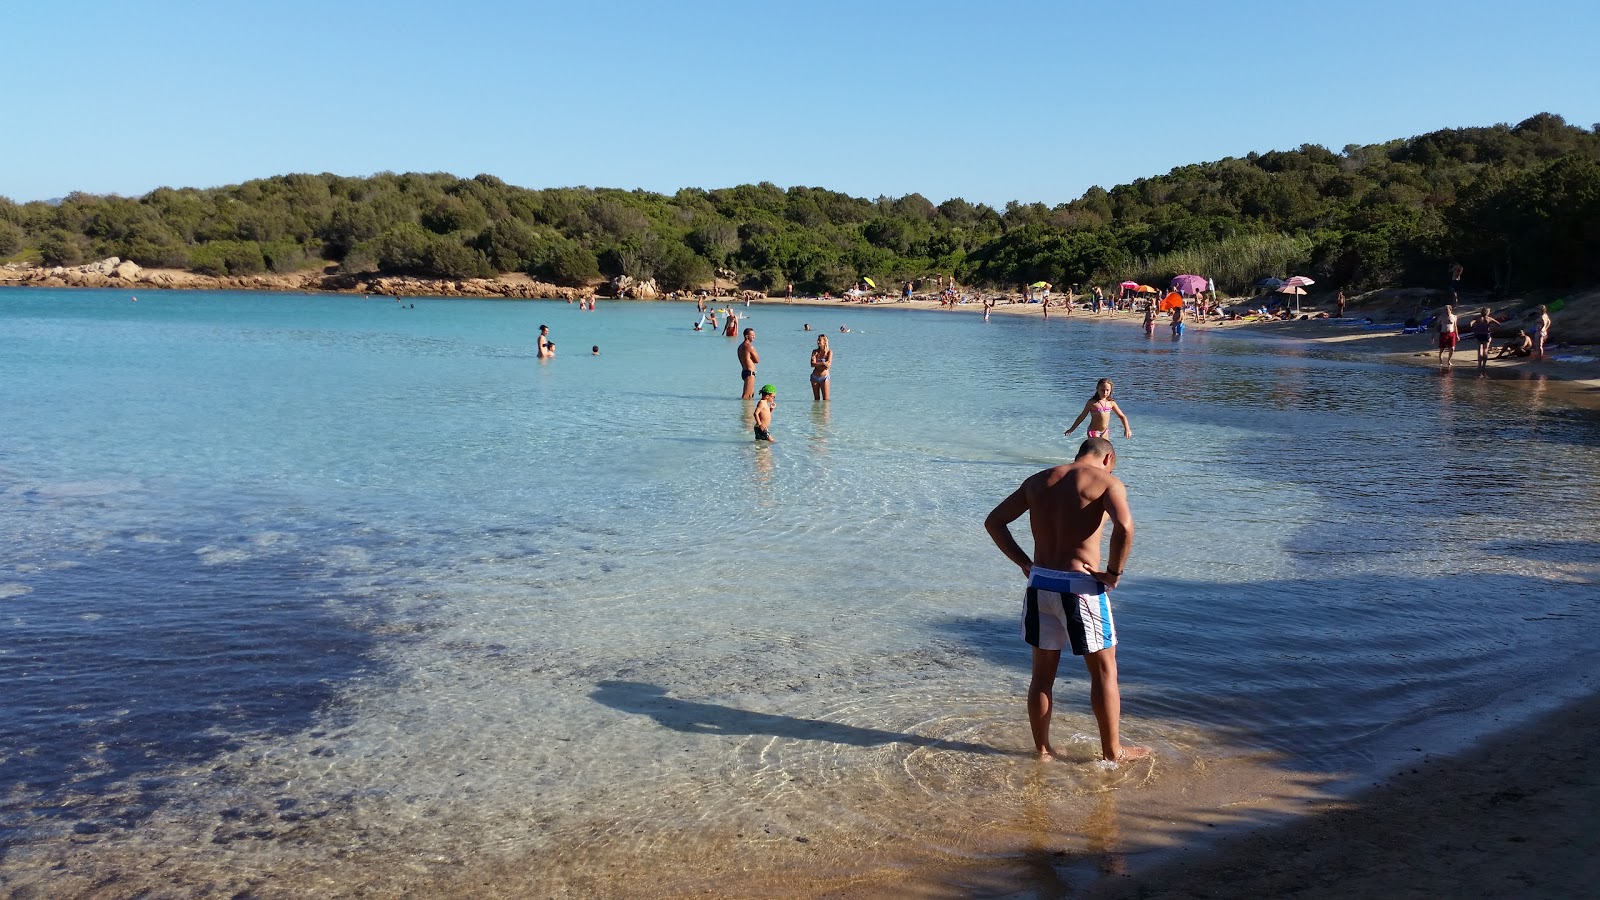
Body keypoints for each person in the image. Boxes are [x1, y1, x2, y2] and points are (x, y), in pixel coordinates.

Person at [984, 437, 1147, 764]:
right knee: (1104, 673)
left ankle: (1043, 751)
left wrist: (1023, 562)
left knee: (1042, 677)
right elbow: (1125, 528)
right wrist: (1114, 573)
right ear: (1108, 458)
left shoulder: (1039, 480)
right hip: (1080, 587)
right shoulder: (1107, 481)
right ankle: (1112, 754)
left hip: (1040, 583)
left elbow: (994, 522)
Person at [1066, 379, 1132, 439]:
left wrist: (1127, 429)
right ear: (1097, 389)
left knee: (1106, 450)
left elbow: (1122, 416)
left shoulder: (1111, 403)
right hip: (1094, 432)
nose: (1105, 392)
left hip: (1105, 431)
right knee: (1097, 450)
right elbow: (1082, 416)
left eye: (1107, 390)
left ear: (1111, 390)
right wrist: (1072, 429)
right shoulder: (1092, 403)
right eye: (1102, 390)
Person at [1469, 307, 1503, 372]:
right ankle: (1484, 365)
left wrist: (1474, 328)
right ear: (1488, 312)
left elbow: (1470, 323)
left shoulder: (1477, 318)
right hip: (1486, 335)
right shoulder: (1489, 319)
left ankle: (1479, 365)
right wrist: (1492, 330)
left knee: (1480, 350)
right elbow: (1498, 324)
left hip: (1478, 334)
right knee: (1485, 350)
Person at [737, 328, 760, 399]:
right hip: (750, 373)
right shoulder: (749, 347)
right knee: (746, 396)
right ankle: (743, 409)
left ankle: (748, 409)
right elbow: (757, 360)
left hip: (744, 371)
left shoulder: (740, 347)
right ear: (747, 336)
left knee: (750, 396)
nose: (754, 337)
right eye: (752, 335)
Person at [809, 335, 832, 401]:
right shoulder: (815, 352)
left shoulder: (829, 352)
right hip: (814, 377)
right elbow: (812, 364)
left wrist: (818, 364)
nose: (818, 342)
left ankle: (825, 412)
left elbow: (828, 365)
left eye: (820, 340)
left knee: (826, 400)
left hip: (824, 377)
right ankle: (816, 412)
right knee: (816, 399)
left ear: (824, 342)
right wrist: (823, 363)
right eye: (817, 340)